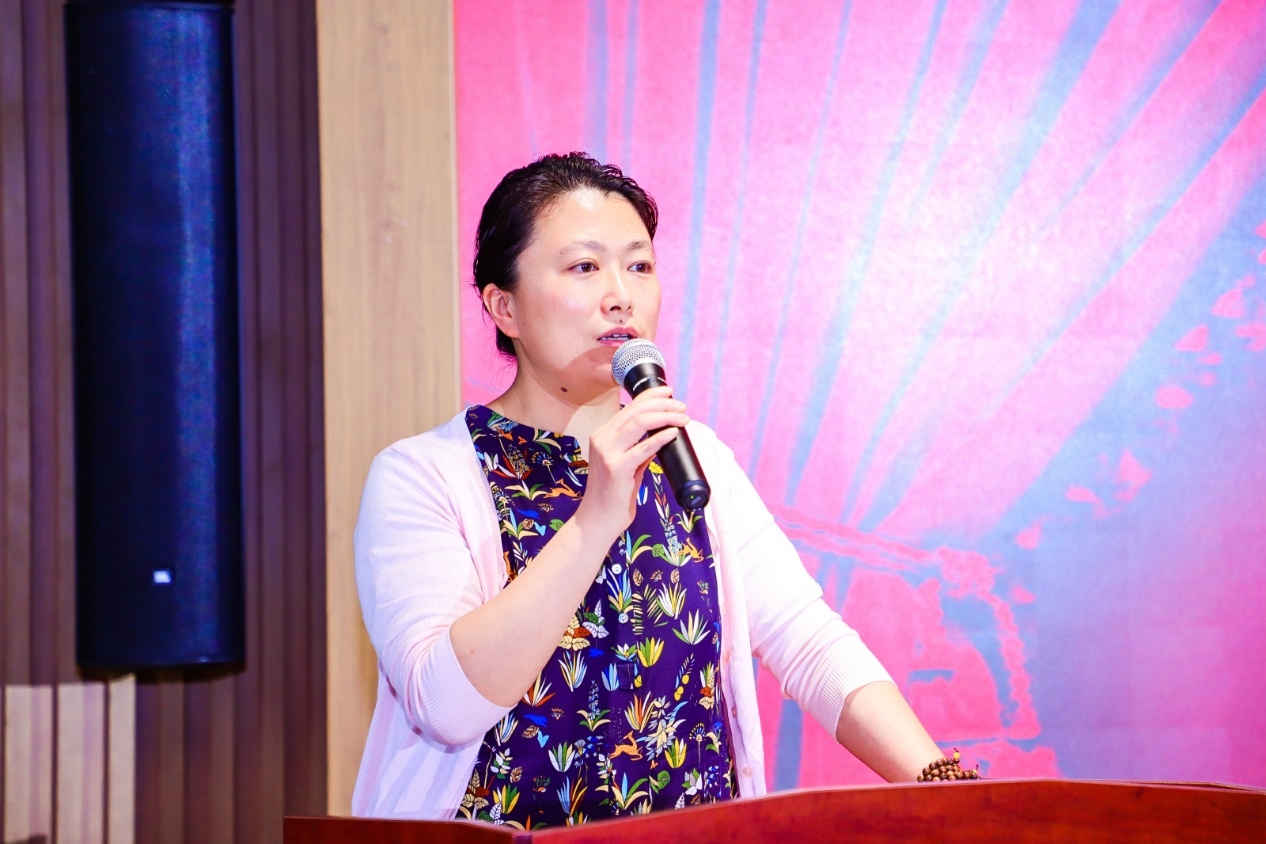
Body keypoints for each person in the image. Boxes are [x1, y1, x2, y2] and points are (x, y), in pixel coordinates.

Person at [351, 152, 945, 825]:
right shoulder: (423, 475)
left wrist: (948, 789)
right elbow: (445, 707)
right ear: (503, 307)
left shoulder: (694, 460)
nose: (620, 296)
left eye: (639, 266)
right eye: (584, 267)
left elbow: (809, 643)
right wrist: (593, 521)